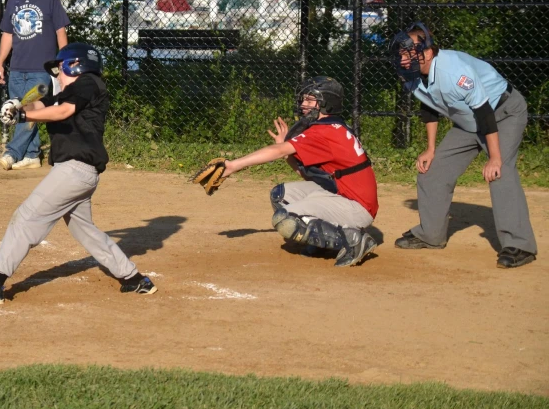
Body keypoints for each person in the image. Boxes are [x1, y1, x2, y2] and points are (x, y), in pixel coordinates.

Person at [0, 43, 157, 304]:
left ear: (77, 65)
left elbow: (61, 111)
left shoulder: (88, 83)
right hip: (79, 173)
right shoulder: (70, 91)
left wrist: (23, 116)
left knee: (26, 217)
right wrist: (19, 104)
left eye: (61, 69)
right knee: (85, 230)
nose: (57, 75)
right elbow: (45, 104)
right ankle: (134, 279)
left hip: (74, 171)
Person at [390, 22, 537, 268]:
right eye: (401, 53)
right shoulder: (413, 73)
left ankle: (520, 245)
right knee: (432, 171)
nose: (403, 59)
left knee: (500, 173)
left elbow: (485, 112)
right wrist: (430, 149)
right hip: (469, 122)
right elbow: (428, 105)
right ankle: (431, 235)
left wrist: (495, 158)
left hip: (502, 112)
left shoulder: (453, 71)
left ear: (426, 53)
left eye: (408, 53)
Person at [221, 76, 379, 267]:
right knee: (281, 195)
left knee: (286, 218)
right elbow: (306, 175)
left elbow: (277, 151)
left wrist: (233, 166)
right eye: (303, 99)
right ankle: (322, 242)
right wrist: (285, 150)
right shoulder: (331, 126)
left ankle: (353, 241)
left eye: (310, 100)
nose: (304, 104)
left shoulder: (324, 132)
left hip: (357, 208)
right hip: (342, 195)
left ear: (326, 103)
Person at [0, 0, 70, 170]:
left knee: (26, 109)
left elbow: (60, 31)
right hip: (17, 68)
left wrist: (62, 64)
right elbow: (7, 35)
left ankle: (12, 152)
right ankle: (31, 155)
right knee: (23, 111)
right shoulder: (13, 1)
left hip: (42, 69)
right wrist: (0, 63)